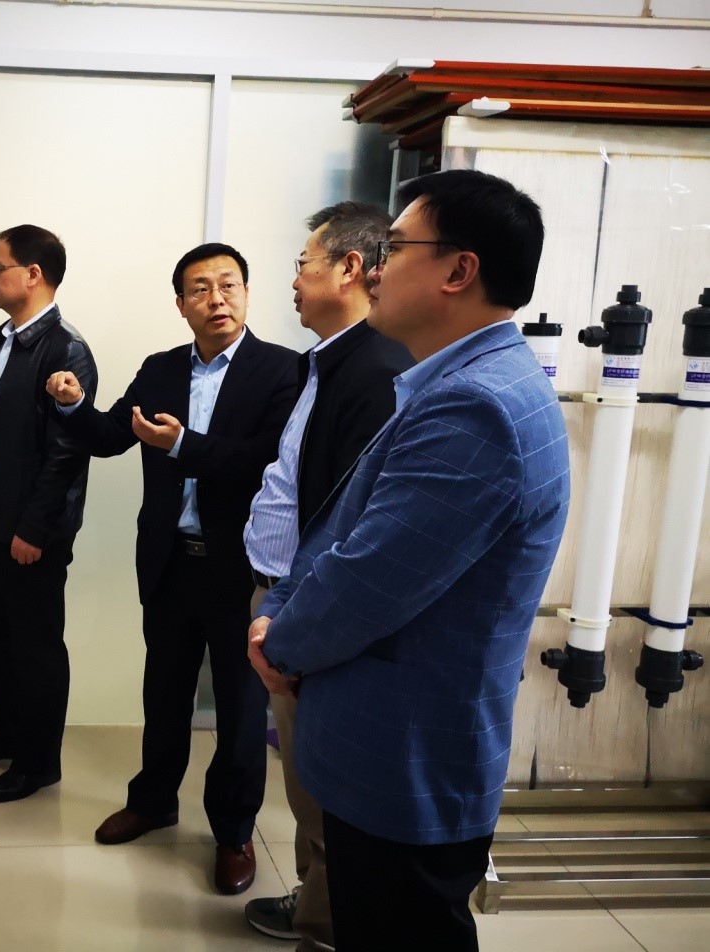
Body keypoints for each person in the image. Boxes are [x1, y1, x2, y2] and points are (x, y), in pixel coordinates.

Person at [249, 169, 570, 951]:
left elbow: (368, 578)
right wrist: (281, 606)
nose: (375, 268)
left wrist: (279, 640)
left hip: (405, 760)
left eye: (393, 249)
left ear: (458, 270)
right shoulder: (455, 380)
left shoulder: (477, 406)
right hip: (390, 747)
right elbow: (345, 526)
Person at [46, 243, 298, 895]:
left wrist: (183, 445)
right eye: (200, 289)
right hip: (169, 561)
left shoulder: (282, 370)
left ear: (246, 294)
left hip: (242, 570)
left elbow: (266, 459)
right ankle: (153, 801)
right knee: (163, 693)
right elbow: (112, 435)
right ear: (181, 304)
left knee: (241, 708)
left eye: (228, 285)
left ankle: (234, 832)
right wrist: (74, 405)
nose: (216, 299)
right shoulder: (160, 369)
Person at [241, 202, 413, 948]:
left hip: (306, 606)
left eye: (302, 265)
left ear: (349, 268)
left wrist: (295, 621)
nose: (293, 281)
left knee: (320, 783)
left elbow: (351, 524)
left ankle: (327, 922)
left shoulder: (375, 370)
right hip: (284, 595)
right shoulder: (329, 359)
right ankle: (318, 902)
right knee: (304, 774)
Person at [0, 224, 98, 804]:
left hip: (30, 528)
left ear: (33, 275)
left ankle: (38, 763)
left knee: (34, 647)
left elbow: (66, 454)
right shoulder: (8, 340)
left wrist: (33, 529)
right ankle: (4, 734)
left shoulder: (65, 350)